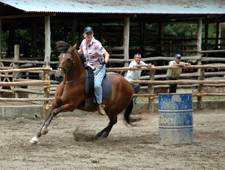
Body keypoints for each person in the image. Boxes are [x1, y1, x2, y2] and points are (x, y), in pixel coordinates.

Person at [78, 26, 110, 115]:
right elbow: (80, 51)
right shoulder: (83, 42)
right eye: (87, 34)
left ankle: (99, 105)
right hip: (87, 66)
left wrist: (105, 61)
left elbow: (106, 54)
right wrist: (72, 54)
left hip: (98, 66)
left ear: (93, 34)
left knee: (97, 85)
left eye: (90, 33)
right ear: (84, 35)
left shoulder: (97, 44)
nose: (89, 35)